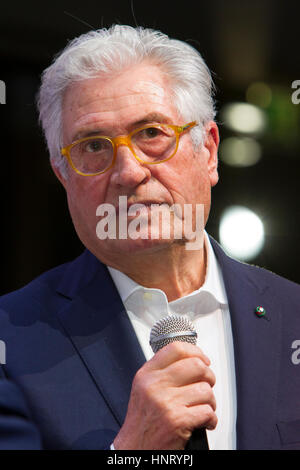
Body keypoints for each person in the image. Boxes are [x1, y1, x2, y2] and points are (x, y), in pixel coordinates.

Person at [0, 24, 300, 451]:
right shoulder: (11, 346)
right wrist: (133, 451)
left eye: (152, 134)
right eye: (94, 146)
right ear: (62, 176)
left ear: (209, 152)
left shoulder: (294, 318)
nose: (128, 172)